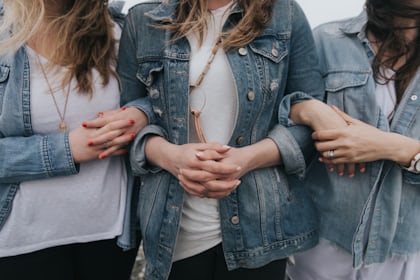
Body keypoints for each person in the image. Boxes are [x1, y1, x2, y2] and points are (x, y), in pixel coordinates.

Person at [118, 0, 326, 279]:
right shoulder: (143, 19)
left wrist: (247, 159)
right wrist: (171, 157)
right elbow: (128, 122)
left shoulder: (284, 14)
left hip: (261, 234)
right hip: (174, 234)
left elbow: (309, 120)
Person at [0, 0, 148, 279]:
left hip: (111, 236)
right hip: (21, 242)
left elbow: (162, 99)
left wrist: (142, 113)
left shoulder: (124, 31)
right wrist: (66, 149)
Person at [285, 0, 420, 279]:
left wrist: (389, 146)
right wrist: (310, 110)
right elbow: (280, 115)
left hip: (405, 253)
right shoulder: (328, 41)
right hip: (321, 245)